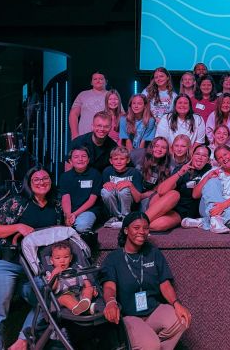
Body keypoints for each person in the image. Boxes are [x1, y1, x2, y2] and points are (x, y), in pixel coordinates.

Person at [0, 166, 64, 350]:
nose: (41, 182)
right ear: (29, 183)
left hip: (34, 267)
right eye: (36, 179)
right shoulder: (17, 202)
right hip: (7, 262)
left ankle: (22, 341)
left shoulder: (56, 206)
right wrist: (18, 227)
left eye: (45, 178)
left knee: (49, 300)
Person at [101, 212, 190, 350]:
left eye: (146, 228)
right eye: (136, 228)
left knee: (183, 319)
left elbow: (165, 284)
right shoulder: (113, 258)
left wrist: (176, 303)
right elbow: (109, 287)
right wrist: (111, 302)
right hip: (129, 316)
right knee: (150, 345)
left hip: (153, 311)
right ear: (126, 230)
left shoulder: (153, 253)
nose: (142, 232)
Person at [191, 146, 230, 233]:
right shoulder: (214, 171)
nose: (224, 158)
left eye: (225, 154)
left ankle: (205, 222)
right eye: (220, 158)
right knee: (213, 181)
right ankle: (214, 220)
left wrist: (222, 206)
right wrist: (208, 177)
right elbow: (195, 195)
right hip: (208, 208)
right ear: (218, 161)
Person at [136, 137, 181, 231]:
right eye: (156, 146)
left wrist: (146, 194)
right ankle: (137, 223)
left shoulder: (170, 166)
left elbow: (162, 190)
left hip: (154, 200)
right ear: (151, 147)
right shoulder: (140, 161)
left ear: (167, 151)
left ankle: (139, 224)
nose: (159, 149)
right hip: (137, 200)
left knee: (158, 223)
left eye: (163, 148)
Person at [163, 144, 213, 229]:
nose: (200, 157)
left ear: (208, 160)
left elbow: (196, 195)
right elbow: (163, 190)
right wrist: (180, 173)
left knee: (160, 224)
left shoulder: (210, 171)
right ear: (192, 156)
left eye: (204, 156)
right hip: (174, 205)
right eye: (197, 154)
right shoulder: (183, 168)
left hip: (187, 211)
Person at [45, 241, 98, 315]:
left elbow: (86, 281)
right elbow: (52, 288)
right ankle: (86, 309)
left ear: (70, 258)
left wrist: (91, 289)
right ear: (51, 260)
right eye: (58, 258)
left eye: (66, 257)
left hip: (80, 294)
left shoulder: (77, 269)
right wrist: (55, 274)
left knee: (89, 289)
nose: (62, 260)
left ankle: (86, 302)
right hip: (62, 296)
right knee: (65, 298)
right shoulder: (50, 273)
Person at [60, 146, 102, 233]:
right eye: (76, 157)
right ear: (70, 161)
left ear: (88, 160)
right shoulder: (65, 177)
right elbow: (66, 198)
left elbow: (92, 200)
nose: (80, 159)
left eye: (84, 156)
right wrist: (68, 215)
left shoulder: (95, 174)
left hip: (89, 209)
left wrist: (75, 214)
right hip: (72, 210)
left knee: (81, 227)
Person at [102, 147, 144, 228]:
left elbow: (138, 199)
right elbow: (104, 193)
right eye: (115, 159)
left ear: (128, 160)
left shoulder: (134, 172)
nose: (118, 162)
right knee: (105, 191)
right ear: (111, 161)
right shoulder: (107, 171)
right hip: (114, 205)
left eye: (122, 159)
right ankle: (115, 217)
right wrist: (106, 185)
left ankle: (126, 217)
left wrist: (130, 185)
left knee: (123, 190)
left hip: (129, 204)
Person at [69, 71, 108, 139]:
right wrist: (74, 134)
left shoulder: (111, 95)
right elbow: (73, 114)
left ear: (106, 81)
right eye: (95, 79)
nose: (98, 81)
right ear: (91, 82)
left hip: (106, 137)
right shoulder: (83, 95)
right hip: (84, 136)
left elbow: (120, 115)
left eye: (101, 79)